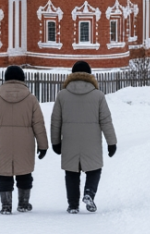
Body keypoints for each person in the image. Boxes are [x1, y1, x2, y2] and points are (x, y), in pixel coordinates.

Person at [0, 65, 49, 214]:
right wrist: (43, 146)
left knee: (4, 174)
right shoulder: (31, 99)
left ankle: (6, 206)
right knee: (24, 173)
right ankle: (23, 203)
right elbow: (38, 124)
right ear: (22, 79)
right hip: (24, 144)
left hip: (2, 143)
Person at [50, 60, 117, 214]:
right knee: (94, 169)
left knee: (71, 173)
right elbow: (106, 120)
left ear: (72, 75)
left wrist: (55, 142)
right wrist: (111, 142)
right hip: (91, 141)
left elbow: (55, 121)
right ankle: (89, 193)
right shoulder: (98, 95)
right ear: (90, 75)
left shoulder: (62, 95)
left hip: (70, 140)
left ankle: (73, 205)